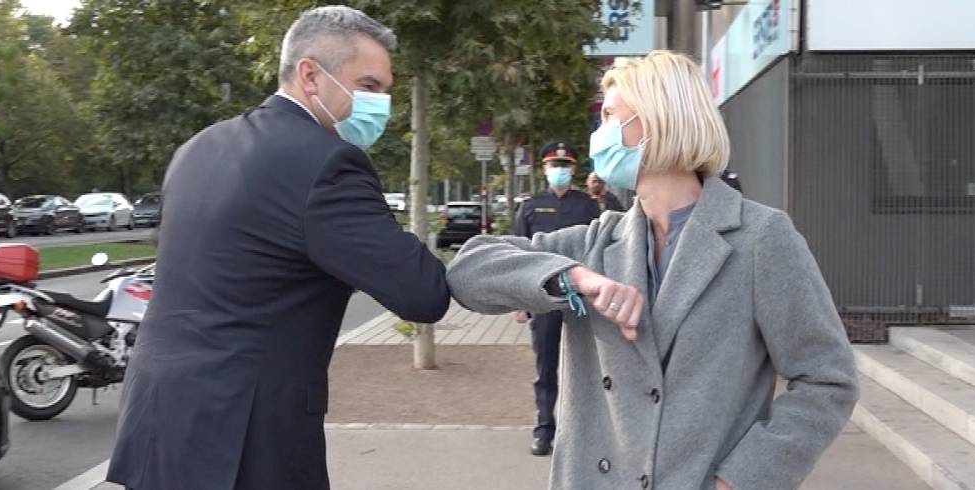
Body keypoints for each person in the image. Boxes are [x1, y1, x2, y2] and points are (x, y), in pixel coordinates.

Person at [447, 51, 858, 490]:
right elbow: (468, 270)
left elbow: (826, 379)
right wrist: (577, 279)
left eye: (610, 116)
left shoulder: (759, 238)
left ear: (659, 119)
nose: (599, 134)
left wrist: (740, 480)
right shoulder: (595, 242)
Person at [106, 6, 450, 489]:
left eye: (386, 90)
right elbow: (422, 292)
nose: (381, 104)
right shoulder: (327, 163)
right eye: (369, 85)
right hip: (243, 440)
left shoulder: (198, 148)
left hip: (157, 423)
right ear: (310, 75)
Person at [510, 142, 600, 457]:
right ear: (544, 169)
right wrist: (519, 301)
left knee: (585, 366)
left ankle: (583, 432)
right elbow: (519, 254)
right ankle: (544, 430)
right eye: (554, 165)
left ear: (573, 169)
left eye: (565, 165)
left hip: (580, 297)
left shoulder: (588, 206)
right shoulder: (530, 207)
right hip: (543, 295)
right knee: (546, 366)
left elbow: (598, 249)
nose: (559, 170)